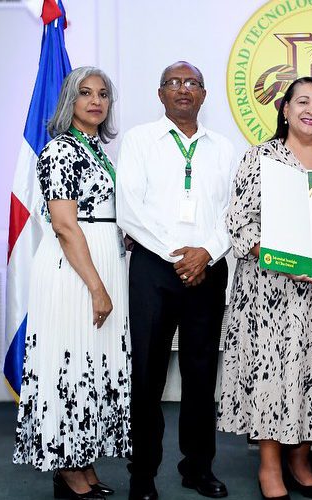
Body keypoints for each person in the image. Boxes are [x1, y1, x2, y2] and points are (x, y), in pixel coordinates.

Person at [217, 76, 312, 500]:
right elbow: (239, 225)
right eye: (302, 102)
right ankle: (269, 466)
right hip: (269, 292)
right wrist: (286, 260)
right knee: (272, 373)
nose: (311, 110)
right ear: (285, 110)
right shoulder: (259, 158)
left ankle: (301, 461)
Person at [116, 61, 235, 500]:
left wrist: (206, 253)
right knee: (147, 374)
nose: (183, 89)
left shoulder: (224, 148)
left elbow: (233, 212)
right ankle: (143, 472)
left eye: (192, 83)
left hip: (208, 269)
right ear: (160, 93)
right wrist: (178, 257)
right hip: (154, 269)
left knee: (201, 374)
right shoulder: (139, 140)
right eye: (174, 82)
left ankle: (198, 467)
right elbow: (129, 210)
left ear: (204, 94)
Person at [13, 66, 130, 500]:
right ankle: (67, 470)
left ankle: (83, 460)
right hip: (74, 271)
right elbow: (64, 225)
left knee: (92, 364)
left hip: (101, 261)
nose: (95, 101)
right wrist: (97, 287)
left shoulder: (97, 149)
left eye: (102, 94)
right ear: (69, 101)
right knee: (70, 363)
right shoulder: (60, 150)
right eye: (85, 93)